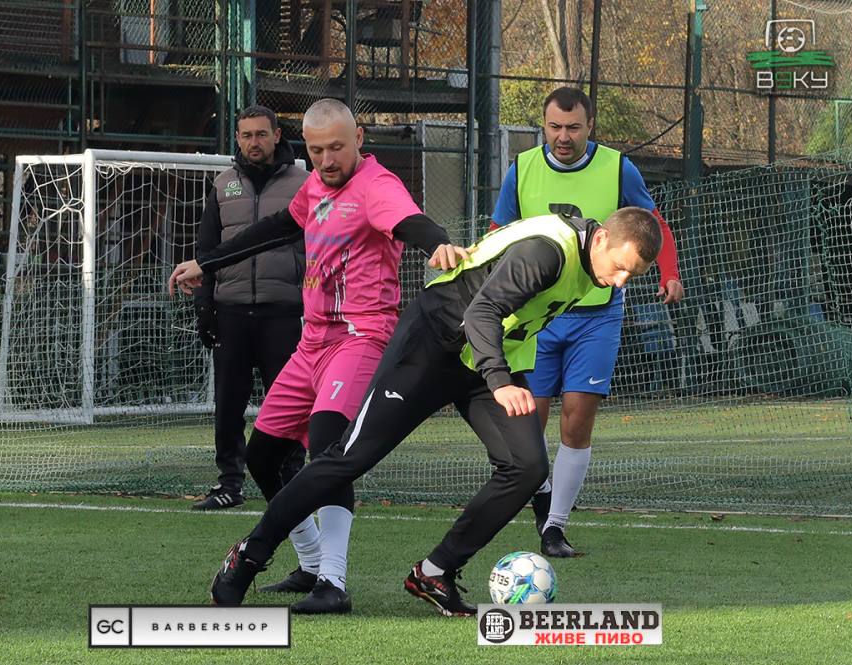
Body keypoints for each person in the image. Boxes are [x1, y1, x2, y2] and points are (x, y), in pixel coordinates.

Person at [208, 206, 663, 617]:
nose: (621, 281)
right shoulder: (547, 252)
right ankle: (249, 555)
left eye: (634, 275)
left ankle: (434, 572)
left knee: (526, 466)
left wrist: (498, 374)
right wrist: (501, 381)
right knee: (348, 458)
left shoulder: (590, 259)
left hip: (480, 358)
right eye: (621, 267)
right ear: (600, 238)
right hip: (431, 345)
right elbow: (482, 311)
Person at [170, 98, 464, 614]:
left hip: (360, 337)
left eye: (336, 148)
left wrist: (437, 243)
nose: (327, 160)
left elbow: (410, 221)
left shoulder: (376, 185)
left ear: (359, 139)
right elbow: (277, 227)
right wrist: (207, 263)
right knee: (262, 456)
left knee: (329, 450)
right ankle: (309, 563)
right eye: (316, 150)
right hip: (312, 342)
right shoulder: (314, 186)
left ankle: (333, 582)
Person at [491, 87, 685, 557]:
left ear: (590, 126)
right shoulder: (522, 168)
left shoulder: (618, 168)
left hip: (597, 315)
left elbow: (654, 223)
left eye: (573, 127)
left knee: (577, 418)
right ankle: (541, 498)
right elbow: (499, 232)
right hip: (537, 316)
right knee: (527, 424)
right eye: (555, 127)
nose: (563, 136)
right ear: (544, 125)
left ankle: (555, 528)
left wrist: (670, 272)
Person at [190, 105, 308, 512]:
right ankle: (229, 484)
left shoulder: (305, 183)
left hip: (284, 312)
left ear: (277, 135)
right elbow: (207, 250)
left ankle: (292, 479)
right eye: (246, 135)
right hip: (232, 312)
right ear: (237, 139)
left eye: (261, 134)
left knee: (290, 403)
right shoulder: (223, 184)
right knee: (228, 405)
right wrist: (205, 303)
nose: (253, 142)